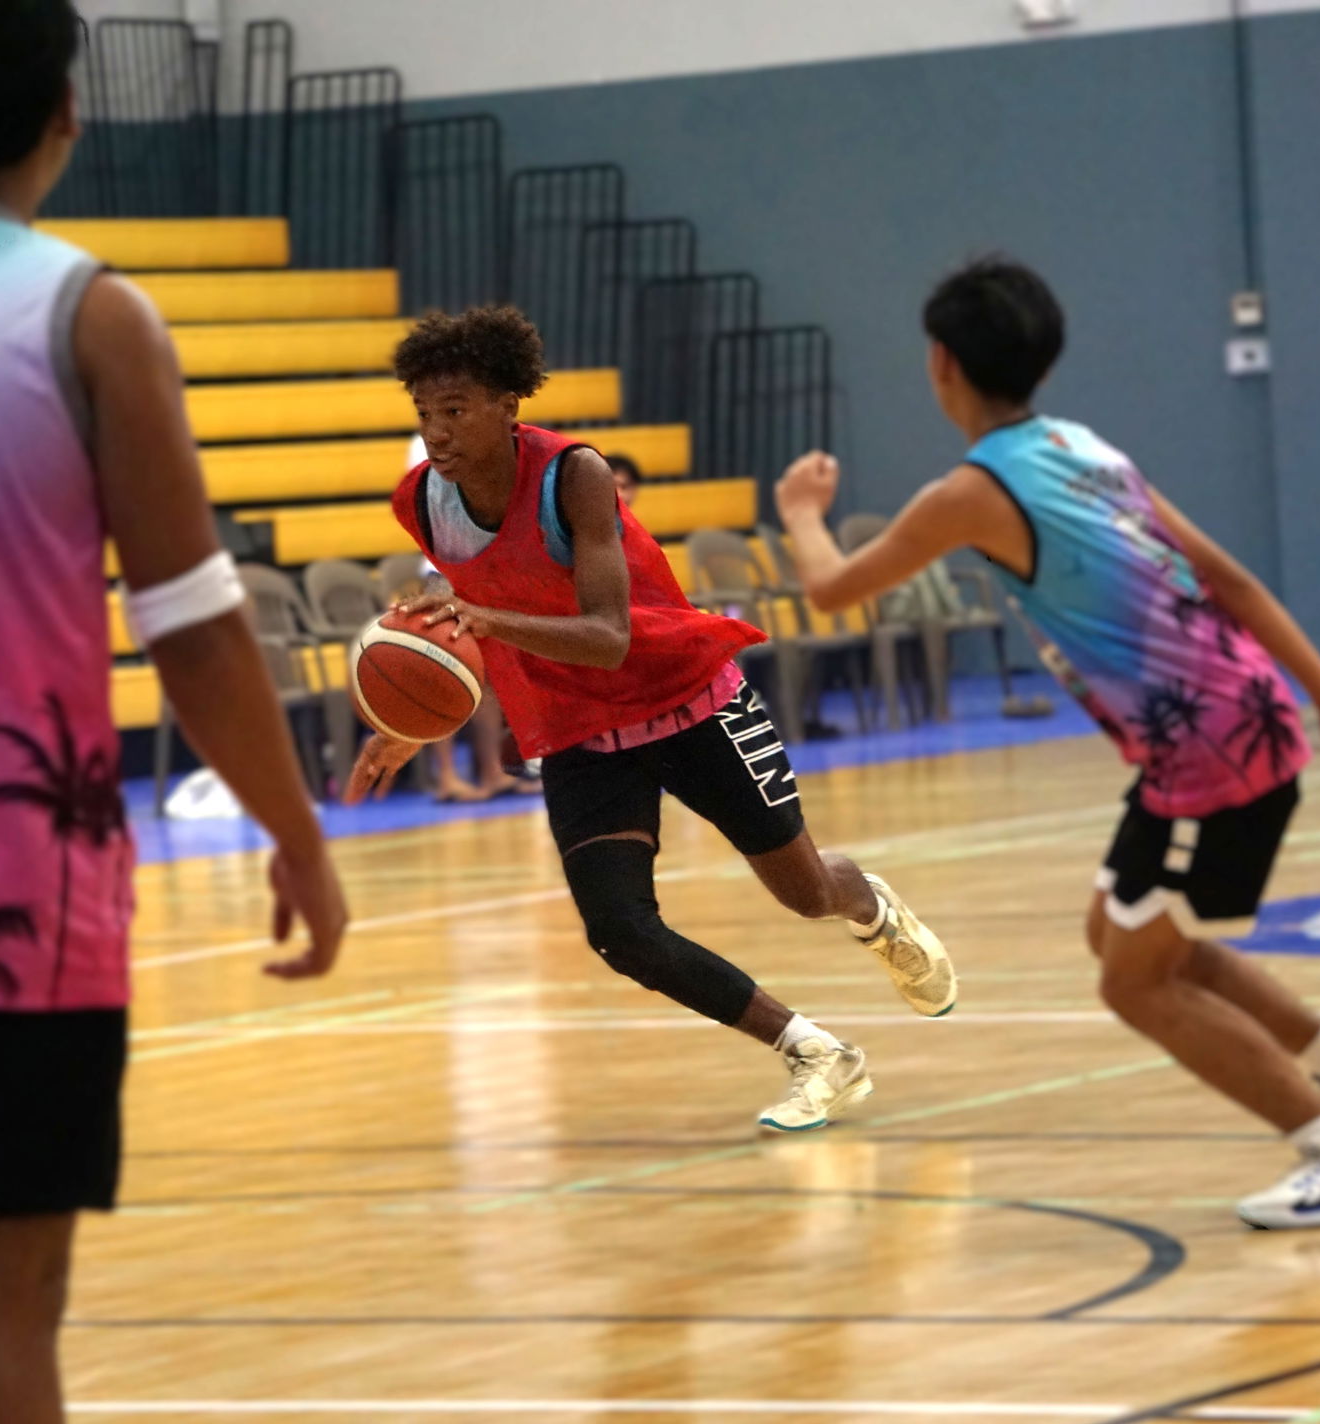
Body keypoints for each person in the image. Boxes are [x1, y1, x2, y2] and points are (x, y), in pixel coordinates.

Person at [0, 4, 349, 1424]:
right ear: (68, 110)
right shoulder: (86, 314)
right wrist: (296, 830)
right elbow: (192, 626)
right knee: (2, 1293)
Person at [776, 254, 1320, 1231]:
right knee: (1124, 936)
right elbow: (1230, 579)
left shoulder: (968, 491)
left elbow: (832, 590)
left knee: (1133, 981)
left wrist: (799, 514)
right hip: (1236, 722)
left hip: (1207, 754)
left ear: (939, 362)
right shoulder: (1084, 446)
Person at [347, 305, 955, 1130]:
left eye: (455, 410)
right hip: (578, 728)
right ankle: (815, 1052)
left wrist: (484, 621)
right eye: (424, 414)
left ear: (507, 406)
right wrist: (410, 717)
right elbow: (466, 636)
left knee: (807, 893)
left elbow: (606, 635)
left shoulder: (575, 475)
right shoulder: (424, 501)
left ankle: (871, 911)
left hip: (681, 696)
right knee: (620, 932)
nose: (438, 432)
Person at [403, 432, 539, 801]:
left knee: (490, 676)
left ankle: (492, 771)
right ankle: (446, 776)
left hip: (483, 564)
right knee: (442, 671)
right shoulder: (426, 444)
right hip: (443, 568)